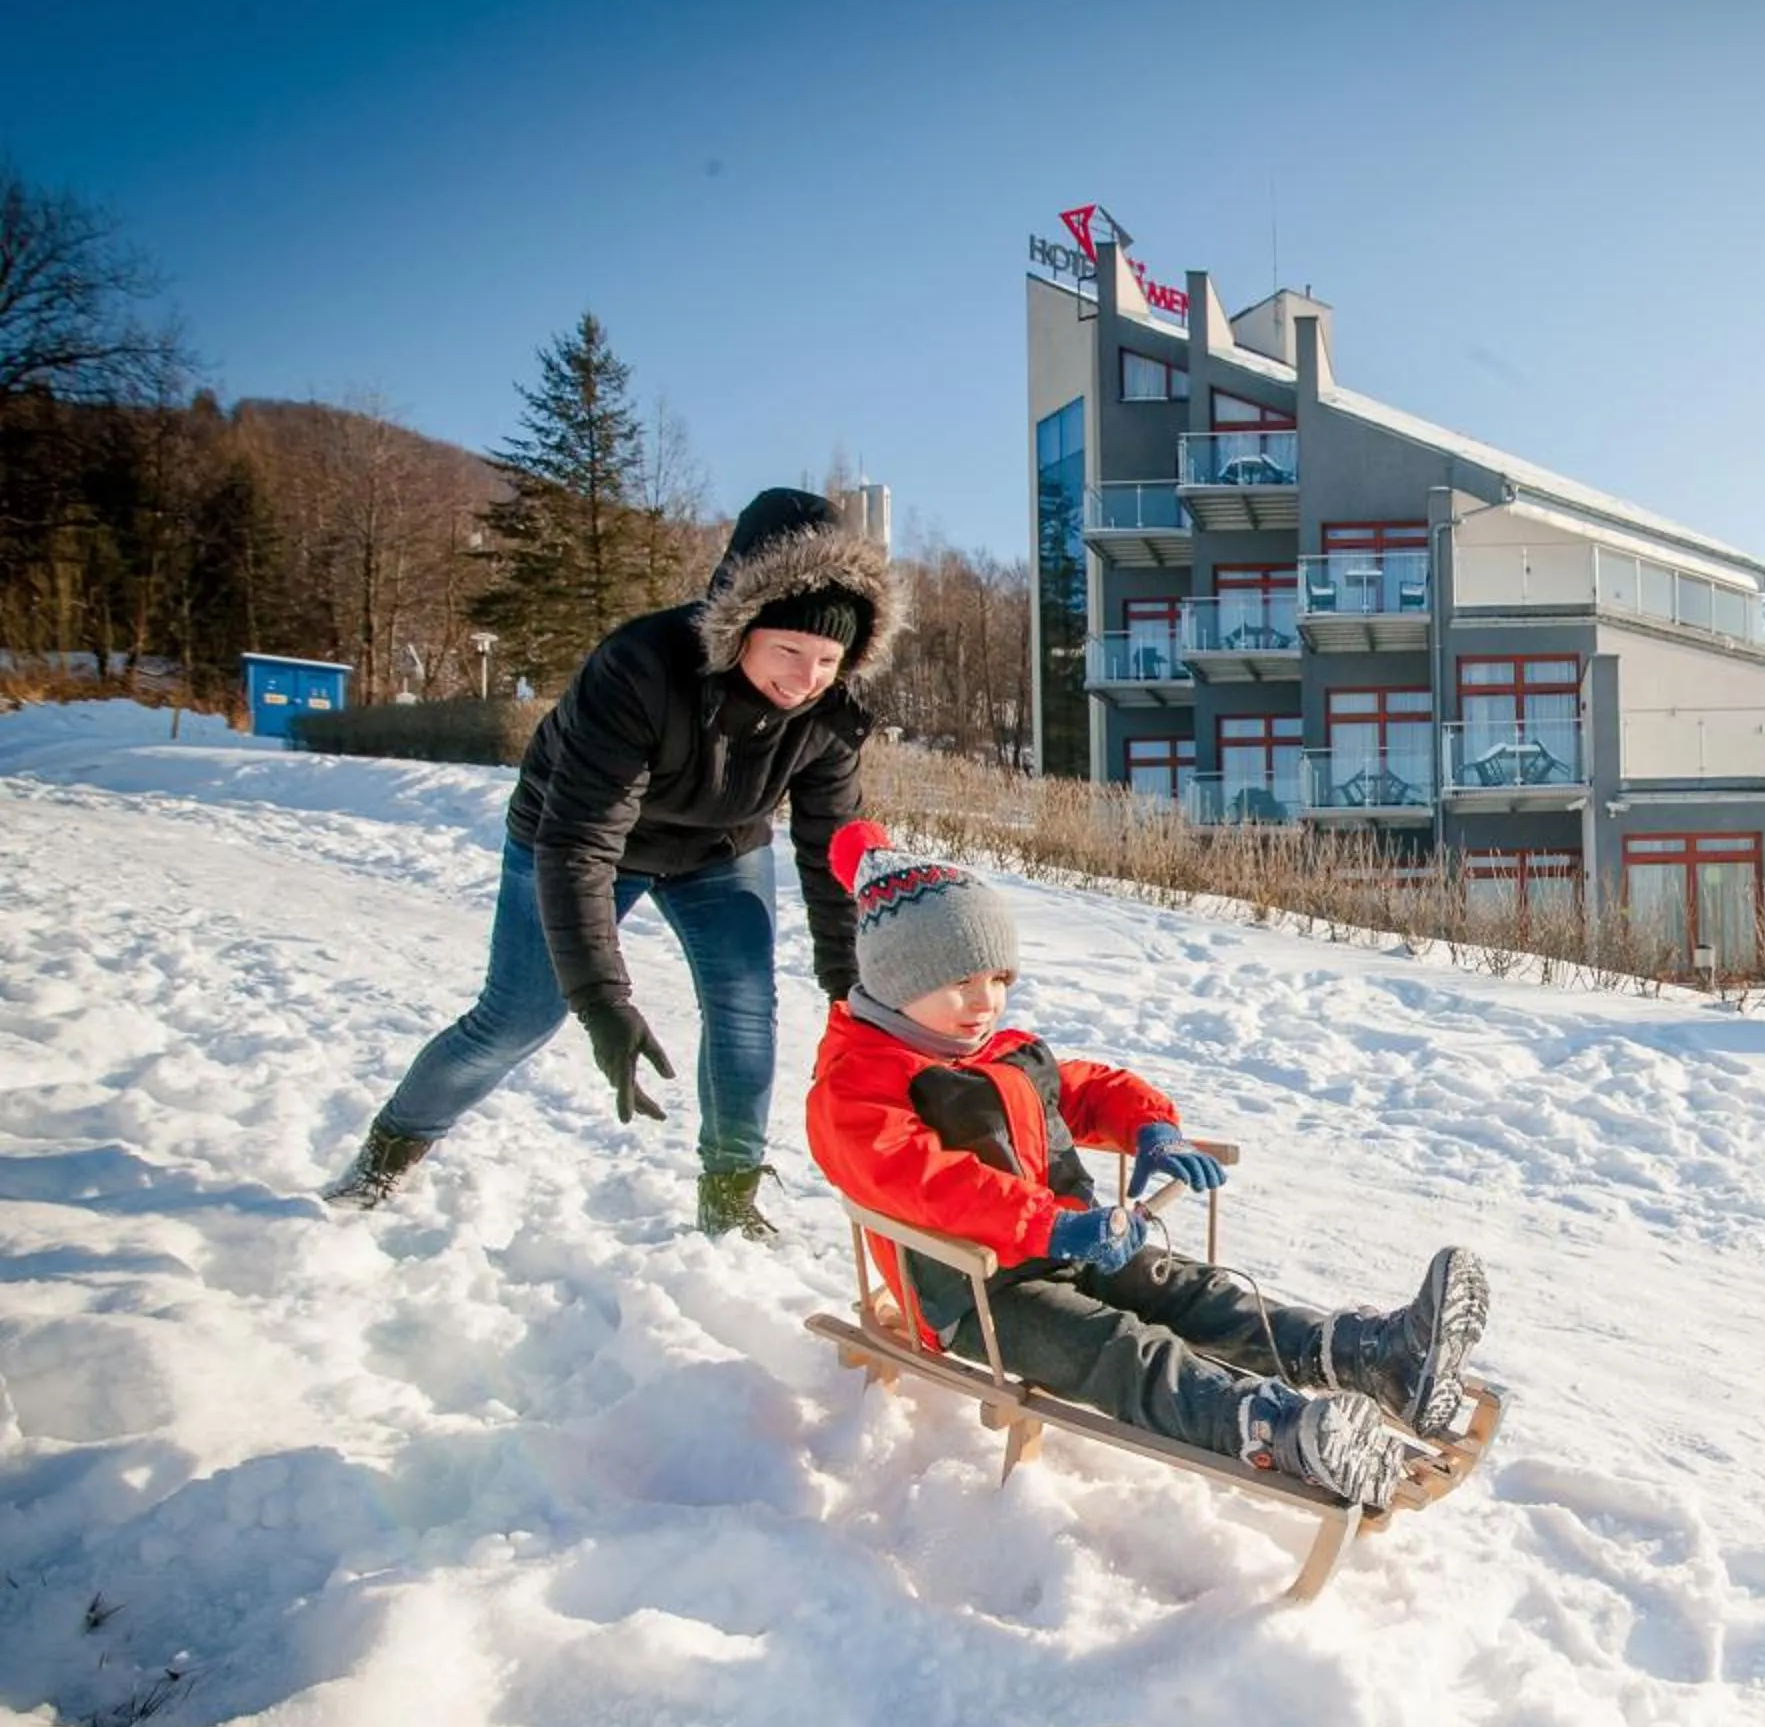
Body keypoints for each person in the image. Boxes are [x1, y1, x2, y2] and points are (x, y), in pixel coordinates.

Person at [804, 820, 1489, 1510]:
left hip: (1067, 1244)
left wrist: (1152, 1127)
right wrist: (1051, 1226)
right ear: (896, 977)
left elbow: (1086, 1088)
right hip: (980, 1295)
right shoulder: (855, 1090)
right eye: (960, 982)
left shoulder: (991, 1050)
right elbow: (928, 1184)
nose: (986, 1000)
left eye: (998, 978)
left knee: (1193, 1292)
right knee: (1118, 1349)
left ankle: (1376, 1359)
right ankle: (1275, 1430)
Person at [328, 487, 900, 1240]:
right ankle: (392, 1146)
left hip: (718, 852)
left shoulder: (828, 714)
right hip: (575, 840)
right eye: (789, 650)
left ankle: (730, 1197)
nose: (805, 677)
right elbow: (581, 842)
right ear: (739, 626)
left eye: (827, 659)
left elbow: (832, 855)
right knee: (519, 1018)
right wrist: (602, 1002)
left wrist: (849, 992)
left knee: (745, 1010)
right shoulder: (639, 668)